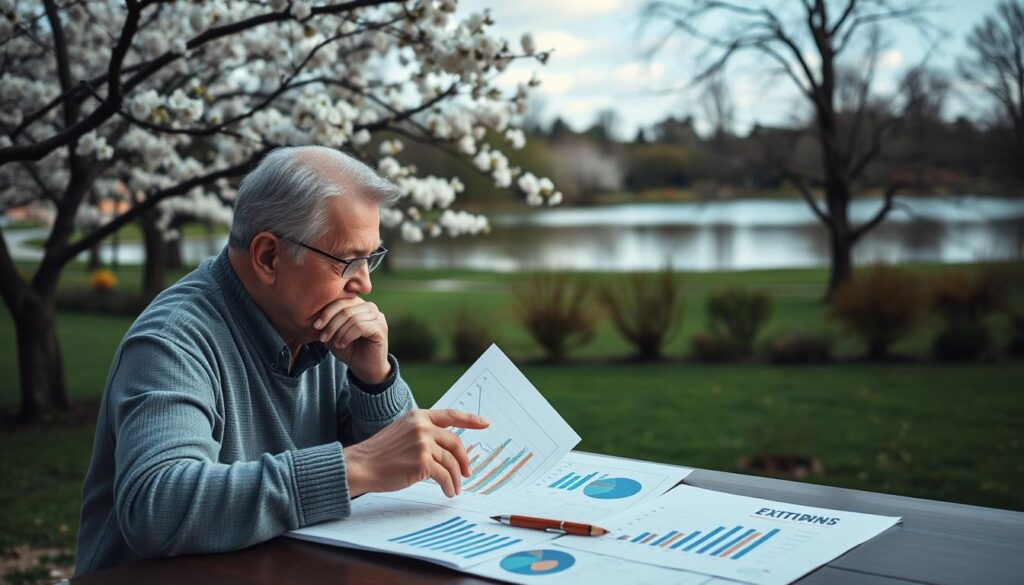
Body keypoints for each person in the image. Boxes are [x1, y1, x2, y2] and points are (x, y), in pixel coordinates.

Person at [74, 146, 488, 576]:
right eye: (348, 261)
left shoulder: (319, 328)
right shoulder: (173, 340)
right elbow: (157, 506)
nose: (363, 283)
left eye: (371, 259)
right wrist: (356, 466)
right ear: (269, 256)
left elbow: (400, 474)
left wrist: (374, 380)